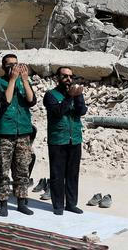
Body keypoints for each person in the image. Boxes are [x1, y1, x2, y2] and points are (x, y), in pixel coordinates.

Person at [0, 54, 36, 217]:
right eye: (10, 64)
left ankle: (21, 201)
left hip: (23, 131)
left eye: (16, 64)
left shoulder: (23, 81)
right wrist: (12, 80)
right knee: (3, 169)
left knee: (22, 168)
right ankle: (3, 202)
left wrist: (24, 80)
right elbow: (6, 101)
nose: (14, 67)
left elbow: (31, 101)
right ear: (3, 66)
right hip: (5, 131)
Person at [44, 67, 87, 216]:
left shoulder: (75, 94)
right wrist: (69, 96)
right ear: (58, 78)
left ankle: (71, 204)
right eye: (65, 76)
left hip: (74, 139)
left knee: (72, 174)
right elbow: (57, 112)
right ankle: (58, 206)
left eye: (70, 76)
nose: (68, 79)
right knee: (57, 174)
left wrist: (79, 96)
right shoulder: (50, 95)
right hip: (58, 140)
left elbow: (81, 111)